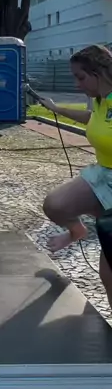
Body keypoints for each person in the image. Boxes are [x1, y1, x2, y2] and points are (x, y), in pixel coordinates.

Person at [39, 45, 112, 304]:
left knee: (108, 272)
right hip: (103, 174)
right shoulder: (102, 99)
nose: (77, 84)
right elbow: (92, 118)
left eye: (80, 77)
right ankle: (77, 231)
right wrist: (57, 109)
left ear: (98, 73)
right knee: (55, 204)